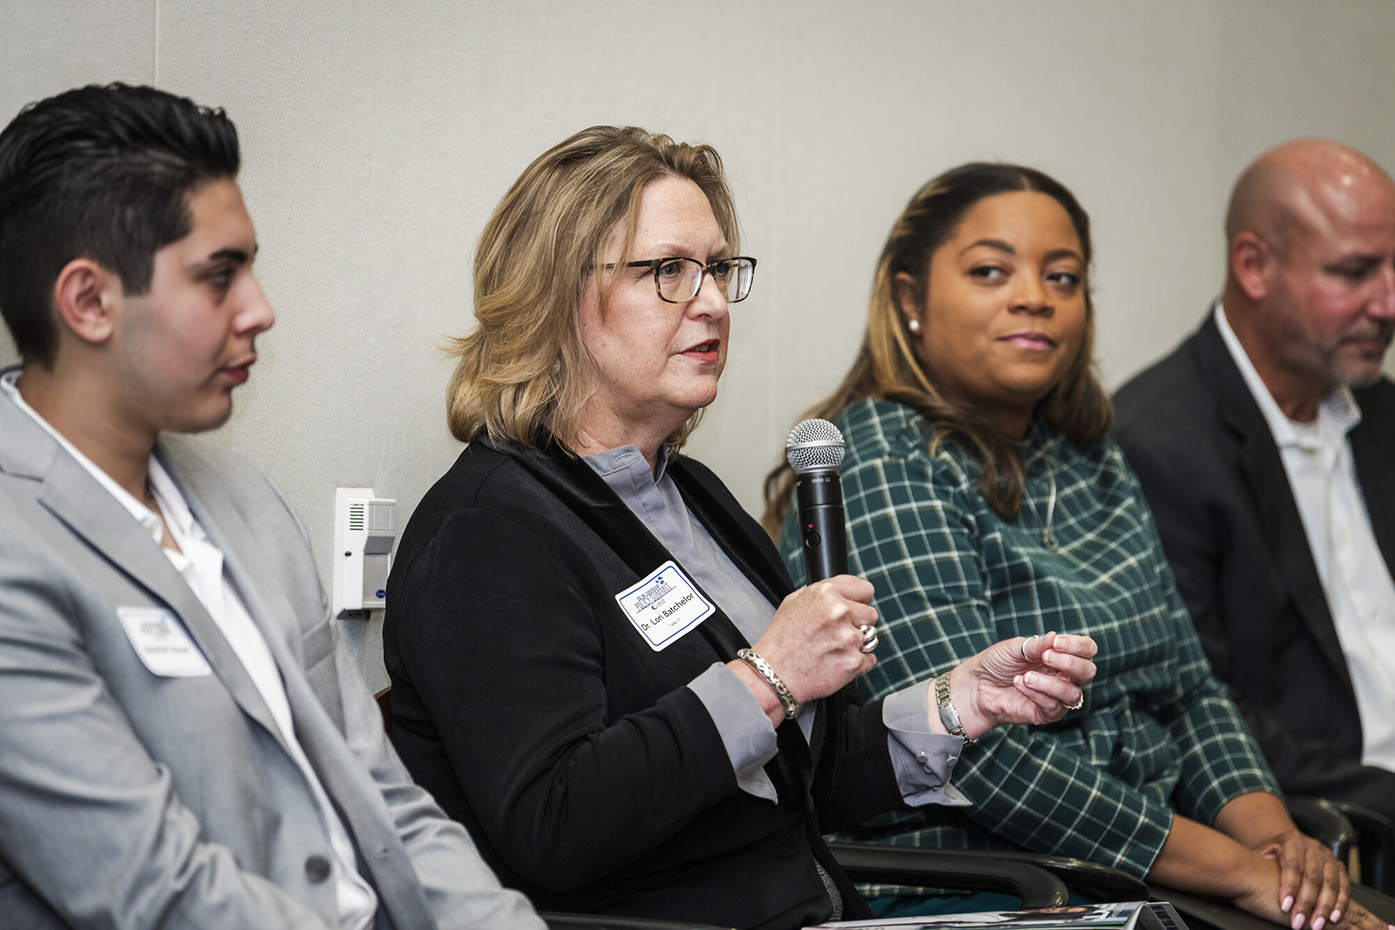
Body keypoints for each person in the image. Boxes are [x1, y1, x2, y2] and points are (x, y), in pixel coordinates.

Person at [381, 126, 1097, 930]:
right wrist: (767, 676)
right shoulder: (489, 533)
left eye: (718, 269)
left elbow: (797, 782)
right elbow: (556, 824)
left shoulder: (689, 495)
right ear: (555, 294)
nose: (713, 302)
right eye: (668, 272)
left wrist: (960, 700)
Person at [763, 162, 1391, 930]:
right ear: (909, 298)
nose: (1034, 295)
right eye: (991, 271)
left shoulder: (1088, 454)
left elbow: (1188, 692)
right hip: (980, 882)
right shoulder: (882, 462)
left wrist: (1275, 846)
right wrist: (1236, 873)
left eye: (1062, 277)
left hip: (1148, 872)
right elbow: (978, 757)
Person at [0, 83, 542, 930]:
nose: (260, 310)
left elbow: (386, 802)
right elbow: (156, 893)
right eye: (219, 277)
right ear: (89, 302)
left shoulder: (243, 500)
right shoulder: (13, 549)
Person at [1113, 140, 1395, 822]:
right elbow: (1198, 708)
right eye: (1354, 272)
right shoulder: (1154, 442)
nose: (1387, 303)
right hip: (1339, 824)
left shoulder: (1380, 410)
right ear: (1253, 266)